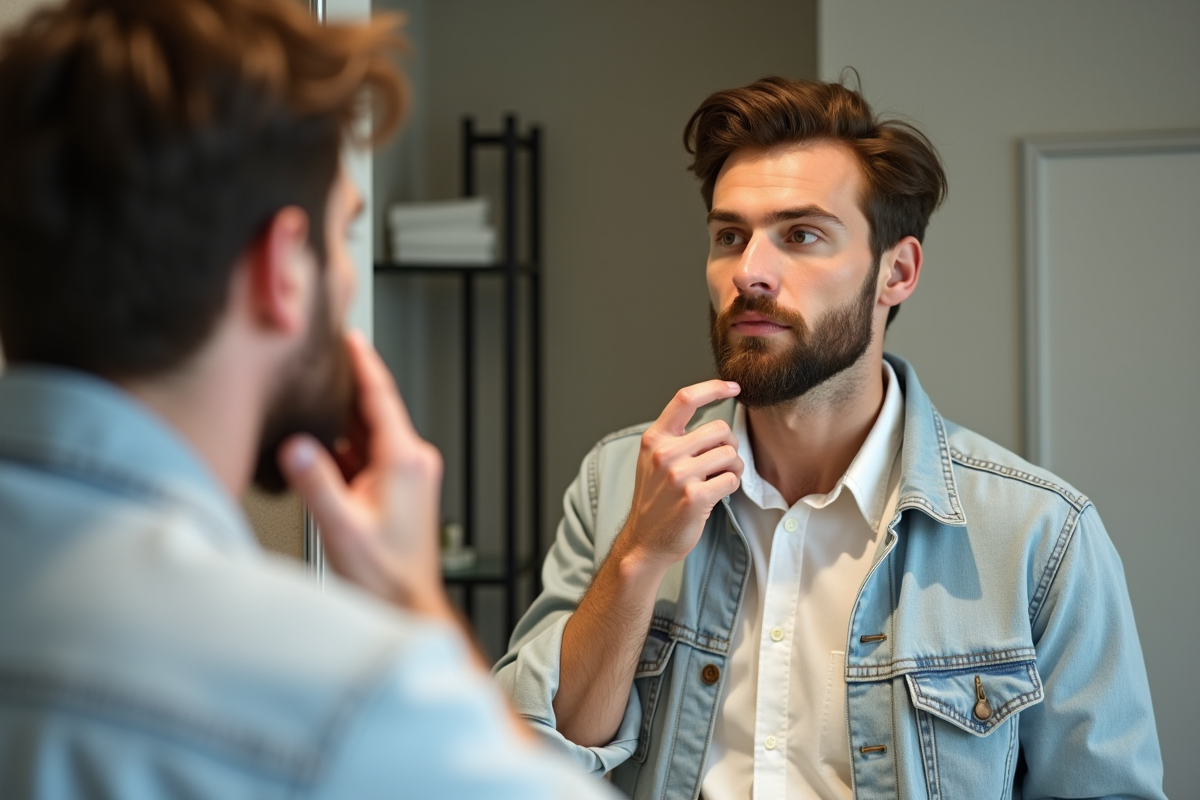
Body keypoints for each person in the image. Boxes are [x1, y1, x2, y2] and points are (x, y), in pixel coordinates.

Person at [0, 1, 615, 797]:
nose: (347, 275)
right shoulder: (345, 703)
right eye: (344, 235)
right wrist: (417, 611)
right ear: (285, 269)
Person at [495, 76, 1165, 799]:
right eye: (729, 236)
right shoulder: (619, 483)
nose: (749, 271)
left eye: (801, 235)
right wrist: (637, 558)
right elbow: (531, 767)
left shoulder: (1039, 535)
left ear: (896, 273)